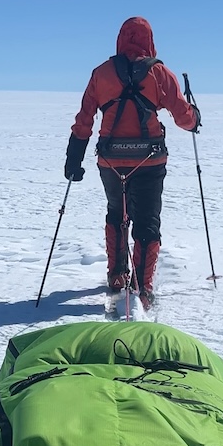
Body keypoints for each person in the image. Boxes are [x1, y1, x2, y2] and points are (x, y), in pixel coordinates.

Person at [64, 16, 200, 302]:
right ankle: (143, 287)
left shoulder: (101, 74)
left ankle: (117, 275)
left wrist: (73, 159)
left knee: (117, 213)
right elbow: (183, 117)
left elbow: (84, 119)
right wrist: (195, 117)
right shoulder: (159, 73)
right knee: (147, 221)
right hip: (149, 161)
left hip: (111, 162)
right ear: (149, 41)